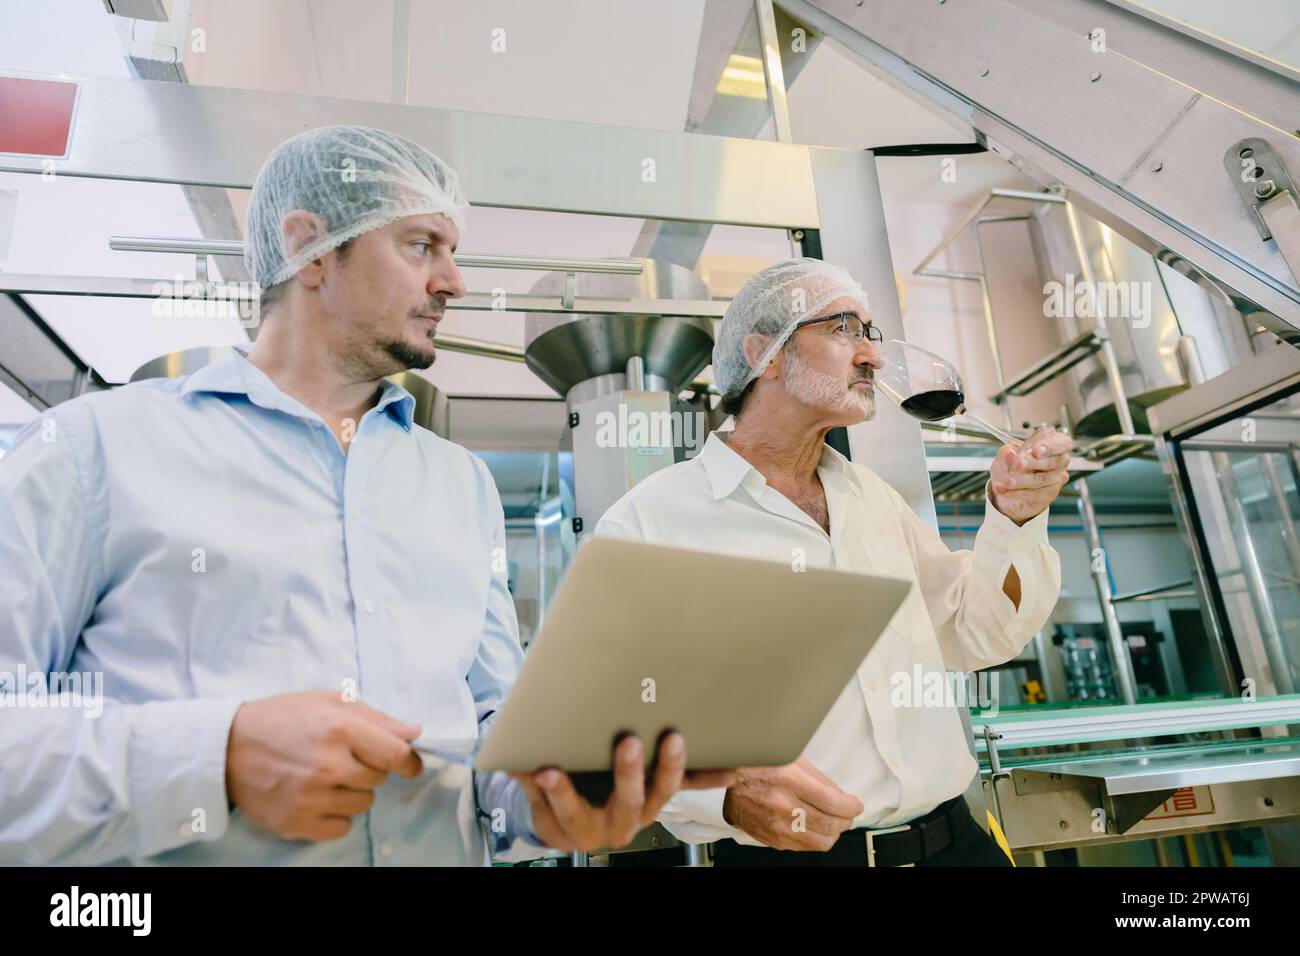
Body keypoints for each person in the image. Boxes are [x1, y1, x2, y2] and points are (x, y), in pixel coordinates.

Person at [0, 125, 729, 865]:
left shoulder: (457, 481)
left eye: (453, 254)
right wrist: (210, 756)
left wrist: (548, 806)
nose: (454, 282)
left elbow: (491, 731)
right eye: (421, 246)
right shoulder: (95, 451)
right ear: (310, 248)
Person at [596, 259, 1070, 866]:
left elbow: (979, 633)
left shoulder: (872, 499)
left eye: (870, 334)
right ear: (764, 352)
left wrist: (1016, 518)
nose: (872, 355)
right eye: (845, 328)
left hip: (956, 845)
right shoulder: (650, 522)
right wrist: (723, 797)